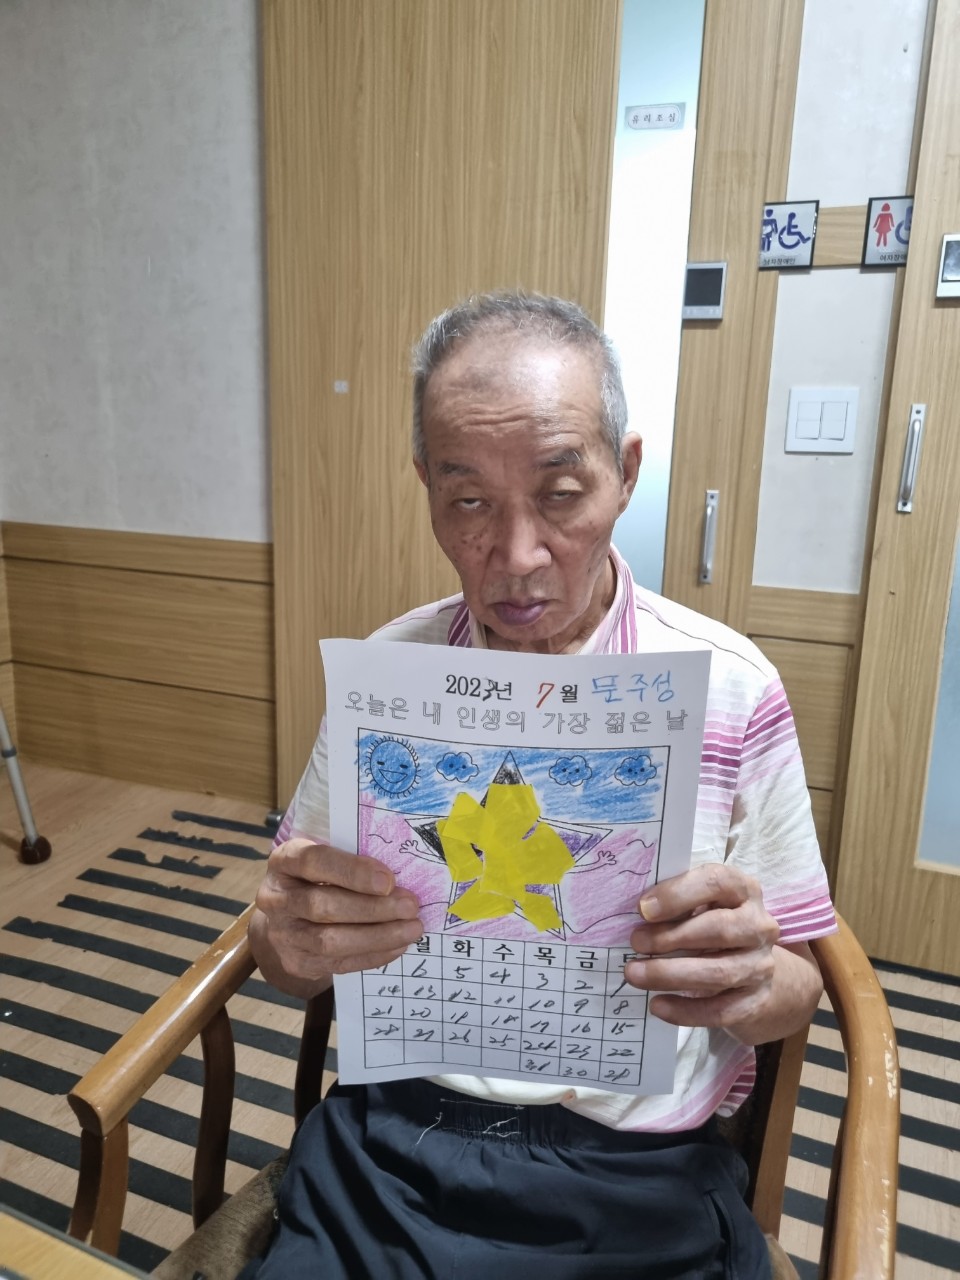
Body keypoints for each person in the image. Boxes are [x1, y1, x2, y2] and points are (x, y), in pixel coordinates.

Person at [246, 292, 835, 1279]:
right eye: (469, 501)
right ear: (427, 489)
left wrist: (747, 979)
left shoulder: (731, 687)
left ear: (625, 473)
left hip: (635, 1176)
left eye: (561, 493)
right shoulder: (391, 676)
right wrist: (288, 939)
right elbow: (287, 955)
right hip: (396, 1147)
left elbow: (799, 987)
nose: (517, 557)